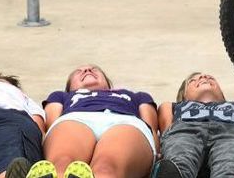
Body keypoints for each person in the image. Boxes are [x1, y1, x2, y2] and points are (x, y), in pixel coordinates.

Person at [28, 64, 158, 178]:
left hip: (125, 121)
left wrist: (154, 155)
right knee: (61, 165)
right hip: (75, 118)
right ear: (70, 87)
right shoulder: (61, 95)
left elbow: (151, 126)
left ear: (108, 82)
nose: (87, 70)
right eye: (79, 71)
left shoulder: (138, 96)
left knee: (106, 168)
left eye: (94, 69)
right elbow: (51, 124)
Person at [155, 72, 234, 178]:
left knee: (230, 163)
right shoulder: (170, 107)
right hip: (185, 131)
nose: (204, 76)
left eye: (211, 78)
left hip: (230, 135)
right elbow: (167, 136)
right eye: (193, 80)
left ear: (222, 94)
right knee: (179, 157)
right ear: (184, 97)